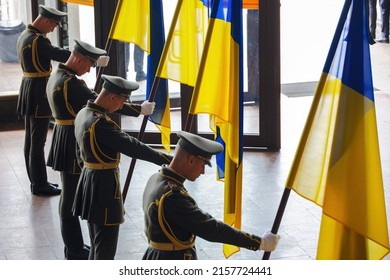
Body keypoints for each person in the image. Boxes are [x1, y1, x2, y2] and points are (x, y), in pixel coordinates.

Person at [73, 74, 172, 260]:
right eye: (121, 102)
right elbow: (134, 147)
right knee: (105, 249)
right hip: (103, 188)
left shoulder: (82, 114)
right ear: (113, 97)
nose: (120, 107)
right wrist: (168, 160)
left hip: (88, 181)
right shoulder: (100, 124)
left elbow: (78, 154)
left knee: (96, 243)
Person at [142, 131, 281, 260]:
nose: (202, 172)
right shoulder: (172, 196)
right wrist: (259, 243)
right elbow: (212, 229)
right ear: (191, 160)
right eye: (203, 165)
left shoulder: (156, 178)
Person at [46, 39, 108, 260]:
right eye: (89, 64)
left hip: (63, 137)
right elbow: (102, 104)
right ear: (79, 59)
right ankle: (73, 248)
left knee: (68, 195)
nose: (89, 69)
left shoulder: (58, 75)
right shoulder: (73, 84)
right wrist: (138, 110)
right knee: (70, 197)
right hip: (72, 141)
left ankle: (73, 246)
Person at [16, 5, 71, 196]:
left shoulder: (26, 35)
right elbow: (60, 54)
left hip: (28, 87)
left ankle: (35, 180)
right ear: (46, 21)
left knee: (30, 139)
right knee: (37, 141)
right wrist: (87, 56)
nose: (54, 29)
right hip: (39, 91)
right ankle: (40, 183)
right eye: (54, 25)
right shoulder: (38, 40)